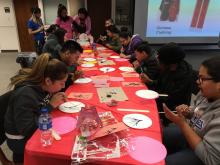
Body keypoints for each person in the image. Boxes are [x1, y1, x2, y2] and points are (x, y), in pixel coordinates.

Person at [4, 54, 68, 164]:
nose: (63, 86)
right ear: (48, 81)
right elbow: (27, 129)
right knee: (63, 147)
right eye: (61, 83)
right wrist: (50, 106)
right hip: (19, 140)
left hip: (32, 125)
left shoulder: (42, 85)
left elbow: (39, 106)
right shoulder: (25, 95)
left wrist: (53, 99)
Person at [163, 56, 220, 165]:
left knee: (166, 162)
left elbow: (211, 159)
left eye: (202, 78)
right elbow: (198, 113)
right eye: (198, 77)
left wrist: (182, 124)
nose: (197, 82)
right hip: (193, 133)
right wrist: (188, 113)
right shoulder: (206, 93)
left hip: (204, 154)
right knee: (161, 134)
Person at [141, 43, 193, 124]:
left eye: (159, 59)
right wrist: (150, 81)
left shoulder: (183, 77)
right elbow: (161, 83)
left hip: (170, 113)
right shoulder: (169, 67)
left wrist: (148, 98)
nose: (157, 59)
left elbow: (170, 99)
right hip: (161, 102)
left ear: (170, 63)